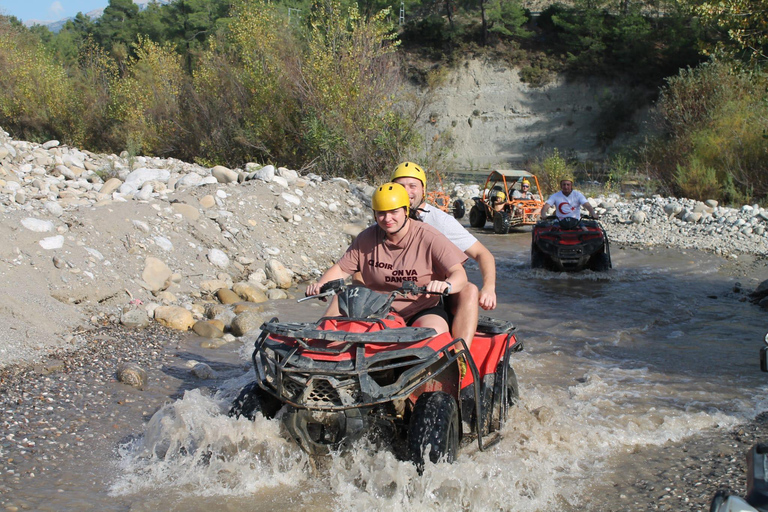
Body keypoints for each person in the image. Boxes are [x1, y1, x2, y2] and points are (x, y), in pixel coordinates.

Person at [306, 182, 468, 336]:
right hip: (373, 308)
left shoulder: (429, 237)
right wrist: (321, 285)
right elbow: (342, 269)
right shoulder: (366, 238)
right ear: (375, 214)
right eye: (381, 213)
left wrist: (445, 285)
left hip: (421, 310)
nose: (387, 219)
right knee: (337, 312)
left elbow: (458, 274)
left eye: (393, 212)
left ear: (405, 210)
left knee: (434, 332)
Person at [391, 161, 498, 348]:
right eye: (401, 186)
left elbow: (483, 254)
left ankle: (459, 355)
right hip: (394, 290)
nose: (407, 191)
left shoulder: (440, 221)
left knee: (469, 289)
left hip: (436, 293)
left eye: (412, 186)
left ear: (423, 190)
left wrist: (488, 288)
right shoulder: (387, 217)